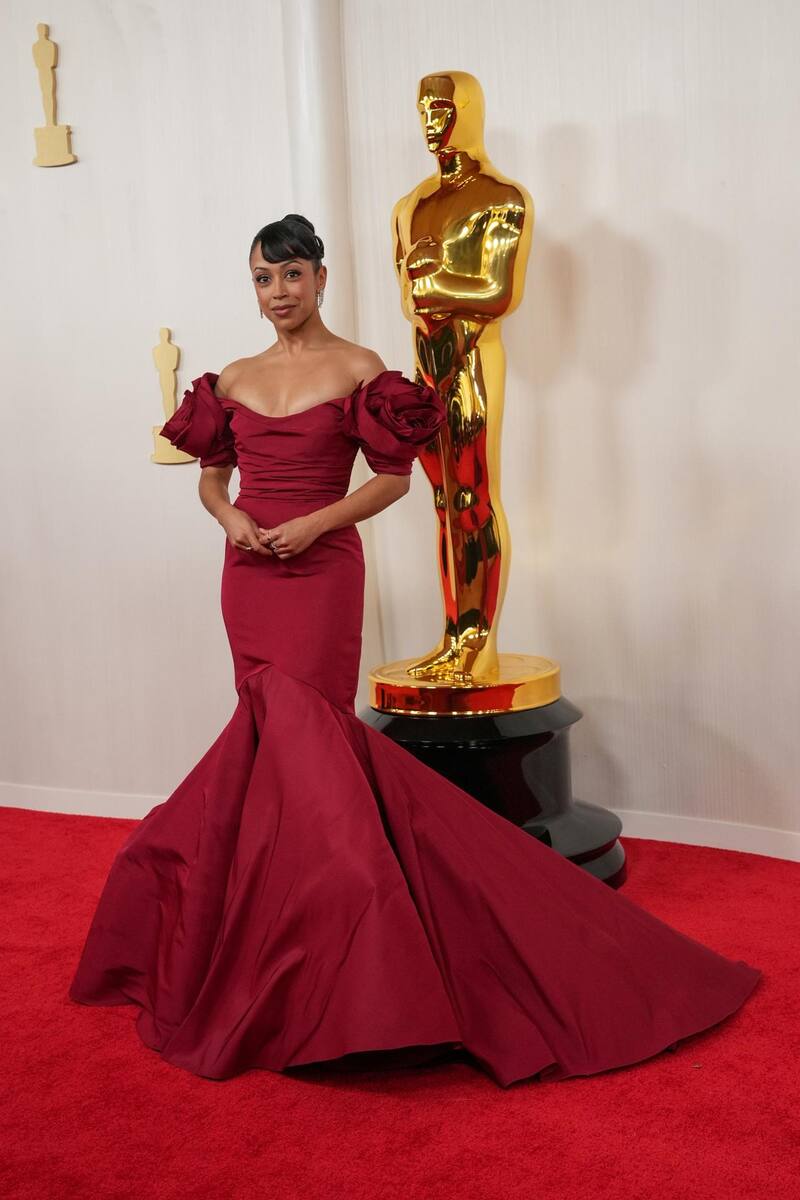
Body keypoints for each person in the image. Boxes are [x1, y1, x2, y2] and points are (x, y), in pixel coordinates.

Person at [68, 214, 761, 1087]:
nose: (278, 292)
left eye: (292, 275)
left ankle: (348, 938)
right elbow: (212, 478)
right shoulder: (232, 379)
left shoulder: (361, 369)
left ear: (322, 278)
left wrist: (315, 523)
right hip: (248, 576)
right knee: (270, 738)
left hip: (321, 572)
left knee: (308, 733)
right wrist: (231, 517)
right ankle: (273, 918)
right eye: (263, 279)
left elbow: (393, 480)